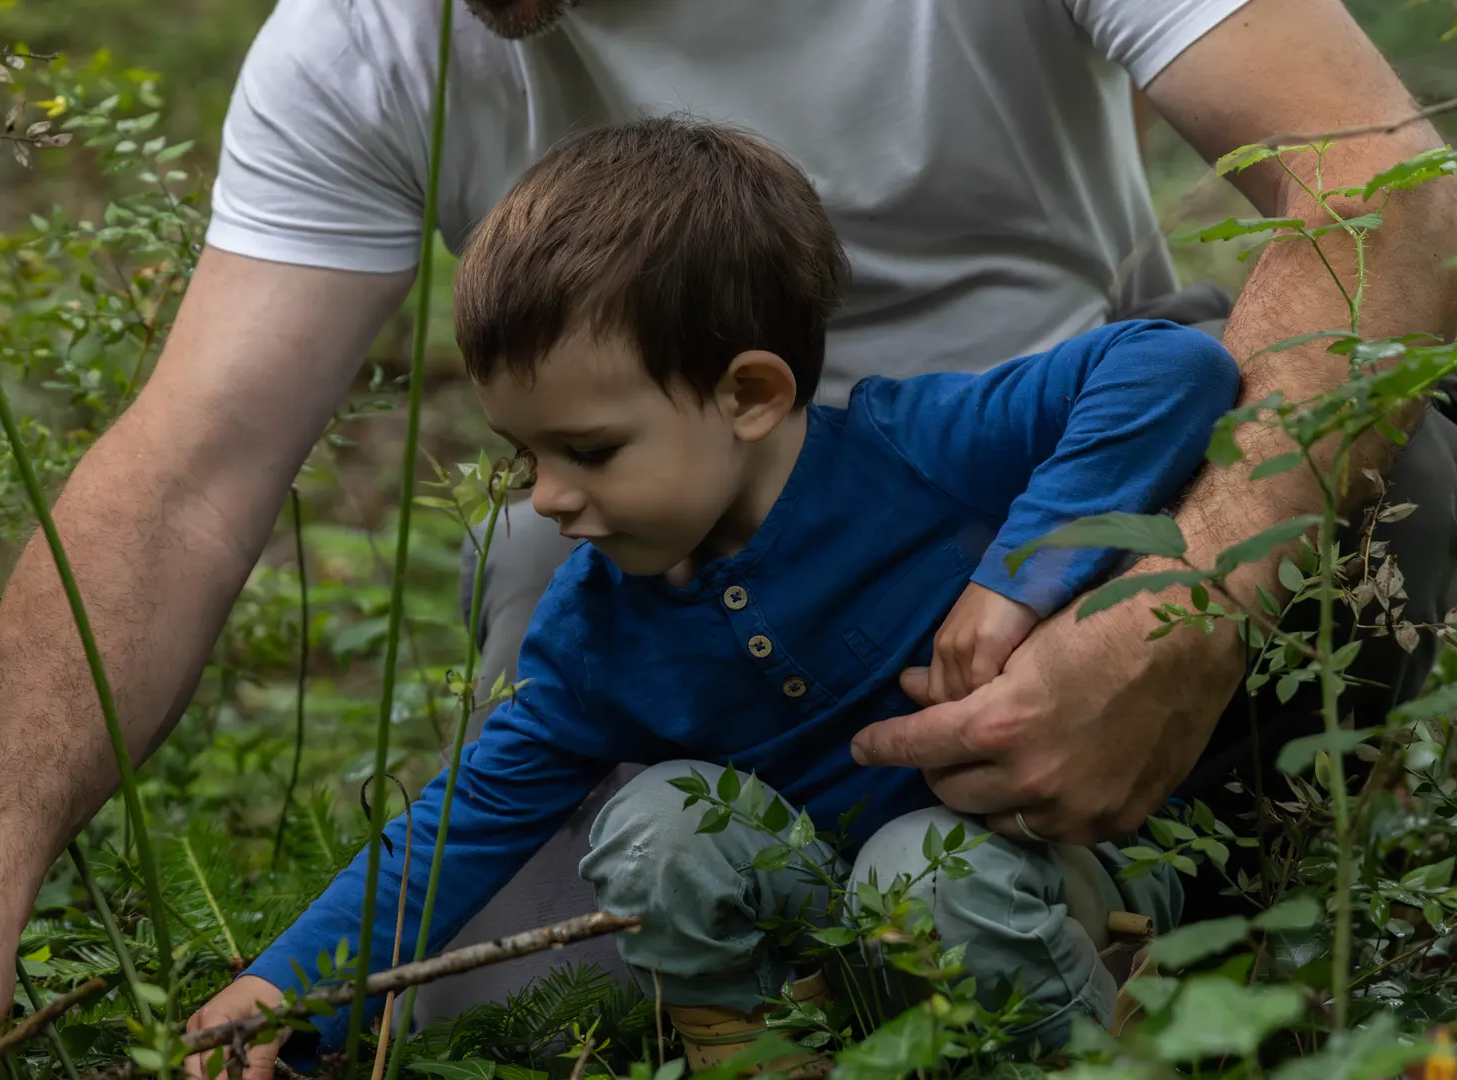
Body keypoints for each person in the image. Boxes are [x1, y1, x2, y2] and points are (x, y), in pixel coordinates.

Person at [0, 2, 1457, 1078]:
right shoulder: (368, 38)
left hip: (1026, 495)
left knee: (1383, 455)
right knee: (496, 987)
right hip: (681, 574)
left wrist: (1166, 609)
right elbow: (183, 476)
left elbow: (1396, 209)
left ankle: (1231, 939)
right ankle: (759, 986)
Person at [196, 115, 1243, 1077]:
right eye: (528, 457)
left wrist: (1015, 581)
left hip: (1035, 878)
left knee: (922, 864)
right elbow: (456, 825)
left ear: (750, 395)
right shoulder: (597, 627)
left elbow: (1167, 366)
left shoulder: (910, 451)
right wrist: (286, 990)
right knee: (655, 822)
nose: (551, 499)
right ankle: (777, 1053)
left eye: (590, 451)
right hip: (834, 924)